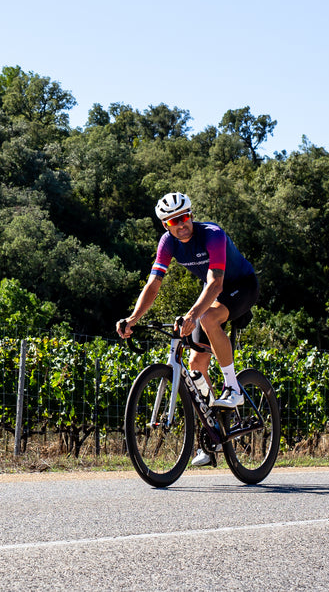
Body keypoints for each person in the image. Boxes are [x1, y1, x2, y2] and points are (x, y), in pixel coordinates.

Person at [116, 192, 259, 466]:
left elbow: (216, 283)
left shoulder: (212, 234)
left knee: (207, 319)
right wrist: (132, 319)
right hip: (213, 295)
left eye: (183, 218)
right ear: (165, 226)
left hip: (241, 286)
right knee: (195, 367)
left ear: (190, 215)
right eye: (172, 222)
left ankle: (233, 387)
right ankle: (212, 433)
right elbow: (154, 284)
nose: (180, 225)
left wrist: (194, 313)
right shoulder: (168, 243)